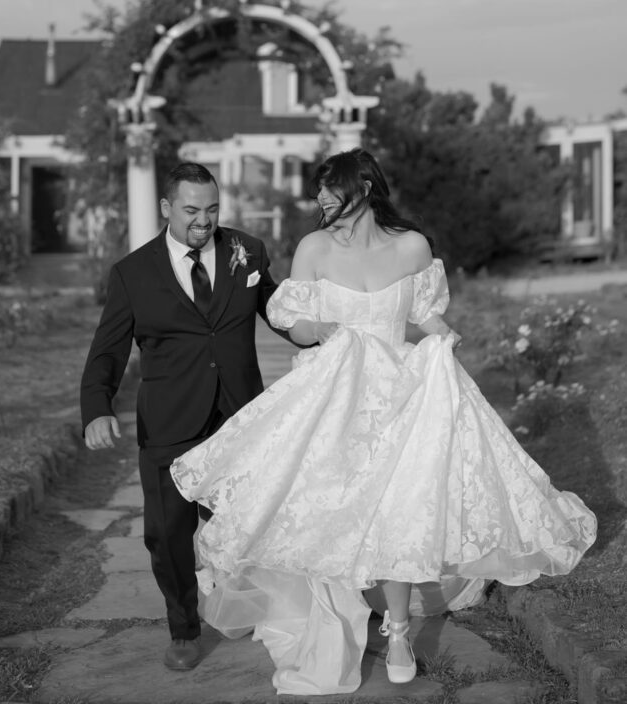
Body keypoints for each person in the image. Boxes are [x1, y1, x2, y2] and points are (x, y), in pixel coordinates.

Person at [170, 148, 597, 695]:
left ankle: (397, 632)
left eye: (331, 187)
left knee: (398, 511)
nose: (320, 197)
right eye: (318, 188)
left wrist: (444, 335)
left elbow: (422, 313)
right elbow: (295, 323)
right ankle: (331, 635)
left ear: (365, 186)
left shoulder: (412, 246)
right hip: (337, 397)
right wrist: (323, 329)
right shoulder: (314, 248)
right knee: (330, 510)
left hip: (400, 396)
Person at [80, 161, 282, 672]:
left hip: (238, 416)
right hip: (169, 420)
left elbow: (280, 312)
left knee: (243, 522)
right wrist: (96, 408)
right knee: (168, 535)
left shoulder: (248, 252)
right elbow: (107, 351)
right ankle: (184, 629)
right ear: (167, 208)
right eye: (192, 210)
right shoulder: (132, 274)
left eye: (213, 209)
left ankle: (249, 606)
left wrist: (333, 335)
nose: (205, 220)